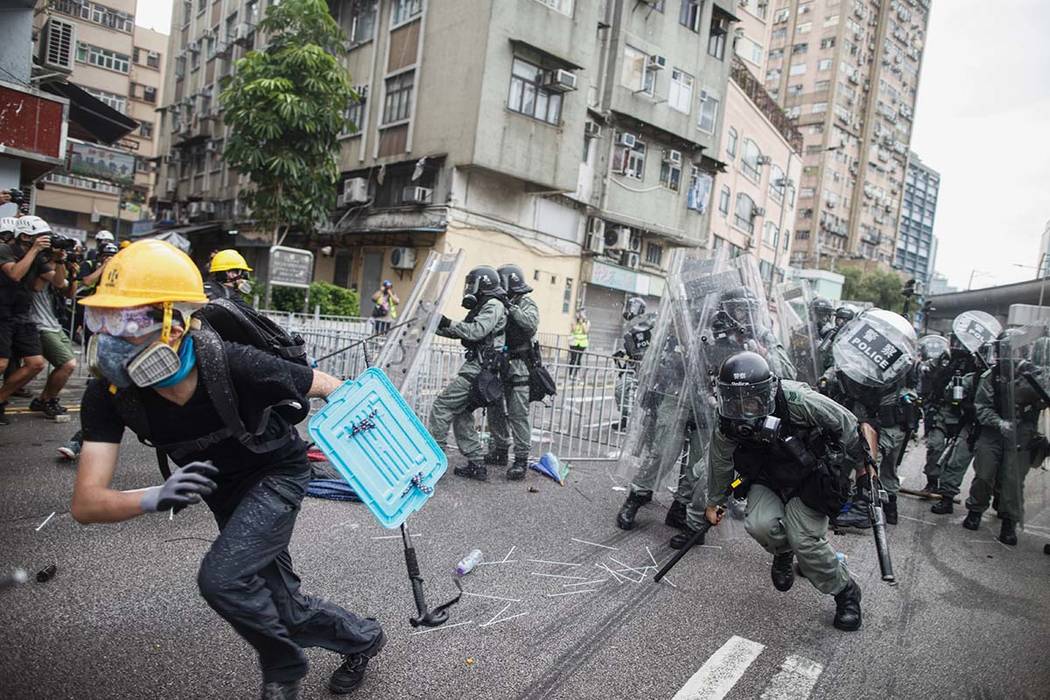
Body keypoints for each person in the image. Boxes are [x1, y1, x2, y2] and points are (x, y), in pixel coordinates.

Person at [70, 240, 384, 699]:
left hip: (276, 474)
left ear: (174, 324)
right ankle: (363, 638)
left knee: (223, 579)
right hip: (223, 490)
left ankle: (282, 665)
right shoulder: (110, 396)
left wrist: (388, 462)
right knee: (281, 605)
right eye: (102, 320)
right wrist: (155, 495)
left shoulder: (233, 363)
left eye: (129, 320)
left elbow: (331, 388)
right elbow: (85, 502)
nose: (111, 340)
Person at [699, 351, 865, 631]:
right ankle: (783, 552)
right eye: (735, 400)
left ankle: (845, 591)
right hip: (767, 477)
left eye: (750, 399)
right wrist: (715, 501)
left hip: (809, 478)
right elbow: (720, 459)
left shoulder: (797, 401)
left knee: (806, 541)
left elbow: (846, 423)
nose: (742, 408)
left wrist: (863, 467)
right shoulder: (727, 419)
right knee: (760, 525)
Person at [962, 331, 1047, 545]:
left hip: (1022, 435)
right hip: (993, 432)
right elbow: (981, 406)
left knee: (1013, 480)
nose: (1011, 353)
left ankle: (1009, 522)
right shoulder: (991, 376)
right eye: (1007, 349)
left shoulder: (1035, 375)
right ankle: (975, 510)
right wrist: (999, 422)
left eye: (1016, 348)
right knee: (984, 474)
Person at [428, 266, 507, 481]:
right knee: (461, 413)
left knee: (442, 406)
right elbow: (464, 330)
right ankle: (476, 464)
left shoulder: (493, 304)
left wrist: (446, 322)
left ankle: (434, 460)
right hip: (480, 368)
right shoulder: (485, 304)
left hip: (479, 370)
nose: (469, 289)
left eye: (473, 284)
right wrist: (434, 325)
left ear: (483, 284)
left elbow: (476, 331)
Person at [484, 263, 539, 480]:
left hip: (519, 367)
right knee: (495, 409)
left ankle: (521, 460)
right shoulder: (498, 304)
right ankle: (499, 450)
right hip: (500, 365)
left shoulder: (525, 302)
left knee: (517, 414)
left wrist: (511, 307)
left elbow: (530, 324)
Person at [0, 215, 54, 425]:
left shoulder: (39, 256)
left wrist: (58, 259)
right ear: (24, 236)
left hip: (22, 315)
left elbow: (60, 282)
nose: (44, 241)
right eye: (40, 237)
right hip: (2, 314)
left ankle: (1, 399)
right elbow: (14, 274)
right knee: (2, 363)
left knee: (36, 363)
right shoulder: (5, 250)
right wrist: (33, 251)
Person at [28, 225, 77, 418]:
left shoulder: (54, 264)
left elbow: (68, 291)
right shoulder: (40, 262)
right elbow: (55, 282)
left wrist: (68, 268)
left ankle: (44, 399)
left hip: (53, 323)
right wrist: (55, 260)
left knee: (65, 365)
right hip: (38, 322)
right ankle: (46, 400)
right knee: (68, 364)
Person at [613, 297, 651, 431]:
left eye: (634, 307)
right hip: (631, 365)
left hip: (642, 367)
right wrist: (623, 352)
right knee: (620, 391)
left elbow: (644, 348)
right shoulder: (630, 326)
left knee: (639, 396)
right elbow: (632, 348)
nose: (630, 310)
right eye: (630, 307)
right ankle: (624, 419)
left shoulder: (645, 326)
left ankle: (635, 425)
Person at [567, 309, 589, 379]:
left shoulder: (586, 322)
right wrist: (576, 321)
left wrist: (582, 322)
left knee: (579, 359)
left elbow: (586, 331)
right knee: (573, 359)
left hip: (582, 343)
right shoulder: (574, 321)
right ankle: (570, 374)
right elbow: (573, 329)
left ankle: (576, 374)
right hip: (574, 342)